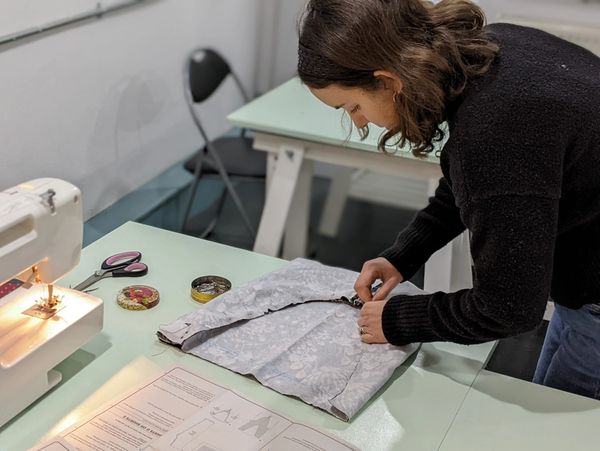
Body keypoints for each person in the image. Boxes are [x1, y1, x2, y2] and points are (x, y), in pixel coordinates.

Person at [297, 0, 600, 399]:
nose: (359, 122)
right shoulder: (491, 46)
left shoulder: (496, 131)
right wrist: (404, 254)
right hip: (585, 270)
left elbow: (508, 306)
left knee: (565, 431)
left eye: (353, 106)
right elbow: (479, 182)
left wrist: (401, 318)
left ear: (388, 81)